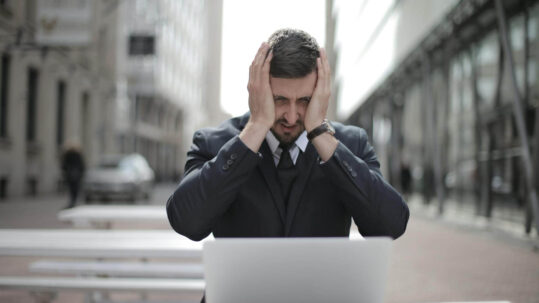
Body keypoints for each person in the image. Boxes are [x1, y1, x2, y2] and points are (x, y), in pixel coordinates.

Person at [167, 29, 408, 242]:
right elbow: (187, 222)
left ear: (320, 94)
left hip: (320, 295)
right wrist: (258, 125)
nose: (292, 117)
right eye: (279, 99)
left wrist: (319, 133)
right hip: (238, 295)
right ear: (257, 90)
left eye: (304, 100)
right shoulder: (212, 142)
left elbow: (390, 226)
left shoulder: (350, 143)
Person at [61, 143, 85, 209]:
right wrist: (81, 173)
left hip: (70, 175)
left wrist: (65, 172)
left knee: (71, 188)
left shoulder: (67, 155)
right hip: (76, 175)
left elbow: (64, 165)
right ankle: (74, 200)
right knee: (75, 189)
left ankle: (72, 201)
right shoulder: (77, 155)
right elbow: (82, 165)